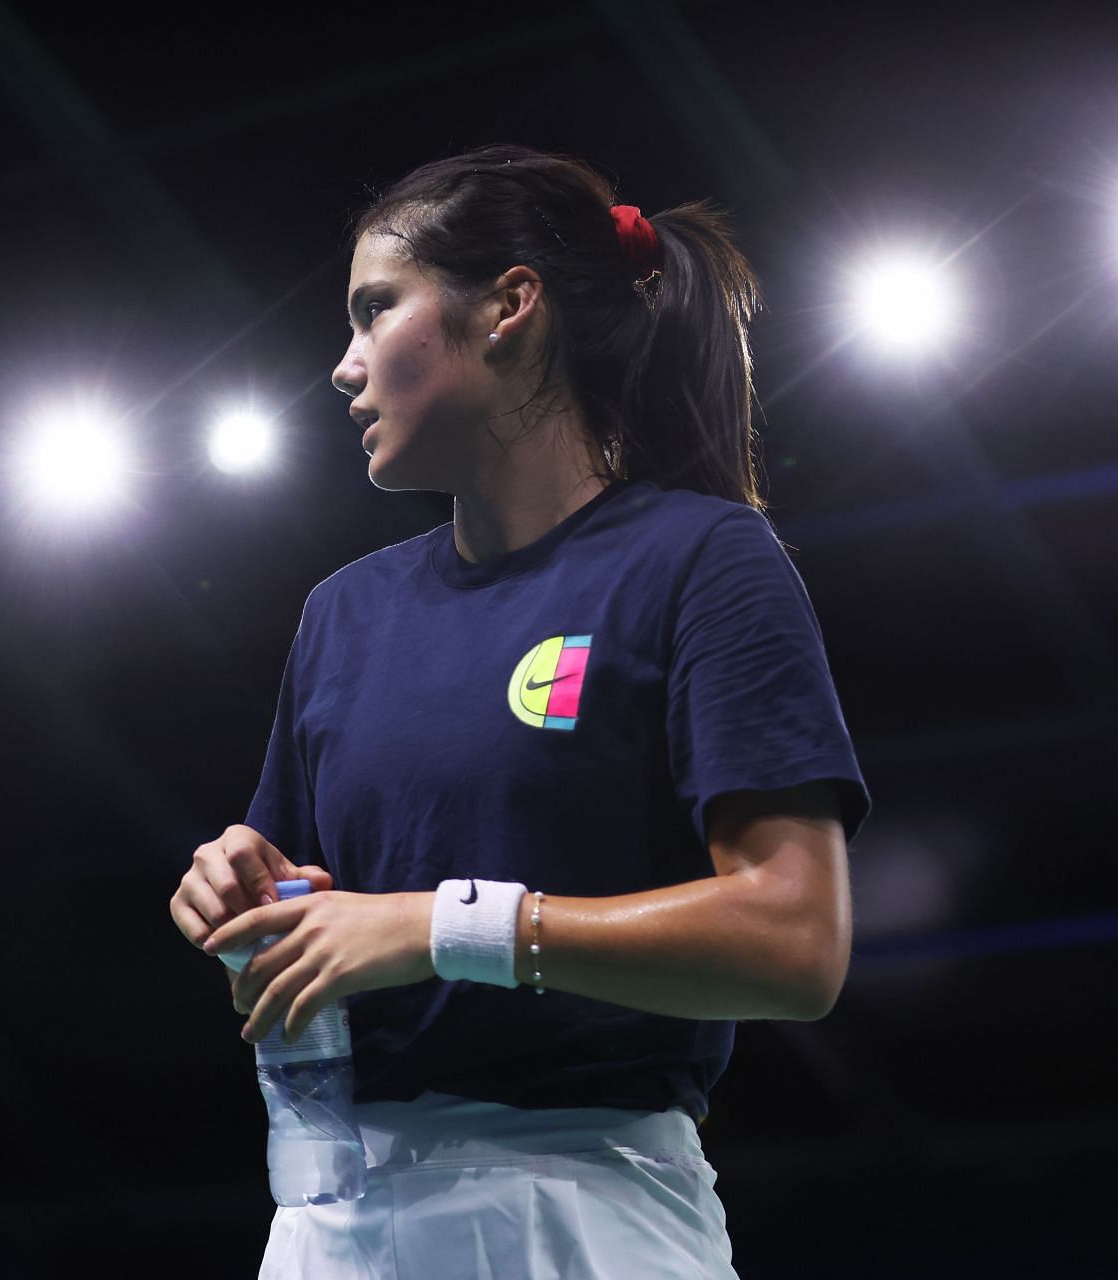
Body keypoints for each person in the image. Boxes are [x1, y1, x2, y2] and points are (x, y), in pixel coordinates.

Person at [168, 143, 872, 1279]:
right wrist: (249, 891)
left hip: (582, 1216)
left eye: (375, 310)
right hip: (327, 1223)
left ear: (510, 305)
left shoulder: (702, 559)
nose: (343, 368)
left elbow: (795, 939)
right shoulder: (342, 613)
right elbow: (320, 940)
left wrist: (444, 925)